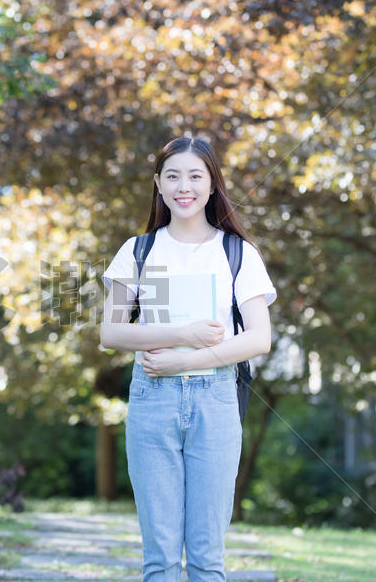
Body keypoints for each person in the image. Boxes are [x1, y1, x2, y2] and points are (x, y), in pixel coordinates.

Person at [100, 136, 277, 581]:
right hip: (152, 402)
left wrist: (184, 359)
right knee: (159, 558)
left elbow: (259, 338)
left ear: (212, 185)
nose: (185, 186)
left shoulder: (238, 253)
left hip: (215, 403)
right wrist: (183, 333)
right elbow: (112, 332)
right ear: (158, 184)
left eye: (196, 176)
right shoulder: (138, 251)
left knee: (206, 559)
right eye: (173, 176)